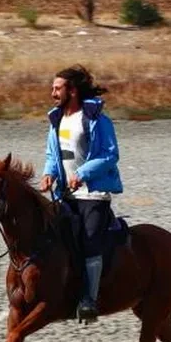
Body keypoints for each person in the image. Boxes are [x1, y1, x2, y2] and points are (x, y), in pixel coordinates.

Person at [38, 65, 123, 323]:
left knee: (89, 242)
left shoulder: (97, 120)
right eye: (52, 88)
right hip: (67, 195)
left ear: (72, 91)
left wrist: (83, 174)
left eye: (57, 88)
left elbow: (110, 155)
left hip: (93, 195)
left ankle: (89, 300)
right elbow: (54, 155)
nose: (53, 92)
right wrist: (48, 174)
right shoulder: (57, 119)